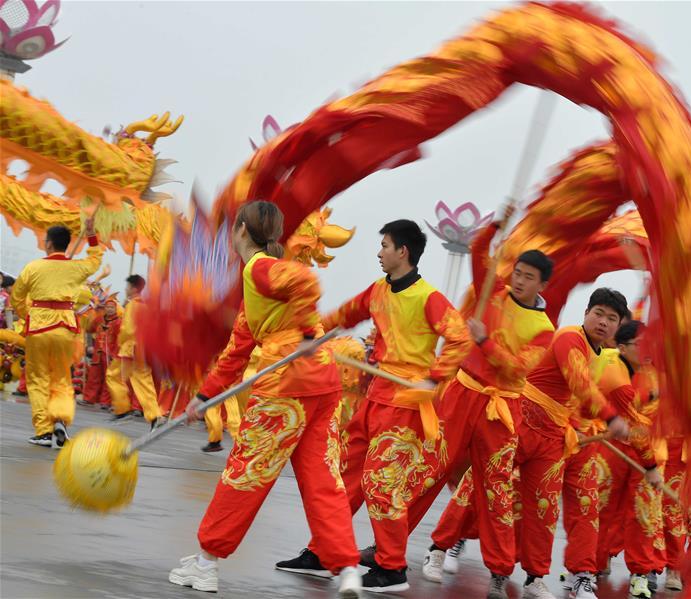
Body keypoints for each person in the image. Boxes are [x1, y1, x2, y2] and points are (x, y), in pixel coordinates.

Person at [167, 200, 362, 597]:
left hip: (285, 384)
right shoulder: (253, 288)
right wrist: (204, 397)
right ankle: (347, 569)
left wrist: (308, 331)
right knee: (325, 480)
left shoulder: (258, 268)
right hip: (321, 382)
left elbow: (306, 281)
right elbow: (236, 351)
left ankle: (206, 564)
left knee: (245, 475)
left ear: (240, 230)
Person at [276, 219, 472, 593]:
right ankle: (323, 551)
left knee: (383, 485)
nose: (379, 252)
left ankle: (391, 567)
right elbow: (342, 316)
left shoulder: (428, 297)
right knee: (344, 475)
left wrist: (432, 377)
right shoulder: (378, 291)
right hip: (377, 394)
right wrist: (308, 336)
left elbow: (459, 339)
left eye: (385, 245)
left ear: (403, 252)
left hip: (405, 402)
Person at [419, 207, 557, 599]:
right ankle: (408, 551)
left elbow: (516, 371)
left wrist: (484, 341)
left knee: (495, 491)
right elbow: (480, 250)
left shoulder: (545, 330)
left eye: (528, 277)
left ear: (541, 284)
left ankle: (499, 571)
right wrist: (498, 224)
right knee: (433, 466)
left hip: (503, 408)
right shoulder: (492, 293)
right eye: (517, 273)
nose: (519, 281)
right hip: (464, 393)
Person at [493, 288, 629, 599]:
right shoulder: (569, 337)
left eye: (611, 318)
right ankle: (443, 545)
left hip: (560, 437)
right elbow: (579, 382)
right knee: (488, 491)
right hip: (521, 424)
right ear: (585, 313)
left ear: (618, 327)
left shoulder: (610, 357)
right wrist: (611, 418)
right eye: (599, 314)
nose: (603, 322)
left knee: (545, 508)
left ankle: (537, 577)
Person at [10, 219, 103, 448]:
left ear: (49, 244)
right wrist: (91, 235)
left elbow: (16, 297)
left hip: (40, 328)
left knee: (38, 379)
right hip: (65, 329)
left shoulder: (33, 267)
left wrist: (27, 315)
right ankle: (60, 419)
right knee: (62, 378)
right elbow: (95, 260)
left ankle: (43, 431)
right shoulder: (75, 267)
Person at [594, 320, 667, 599]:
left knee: (643, 513)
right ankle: (589, 566)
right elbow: (626, 406)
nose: (647, 349)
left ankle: (640, 573)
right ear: (622, 348)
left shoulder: (658, 371)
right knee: (601, 506)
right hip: (613, 447)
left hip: (648, 448)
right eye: (640, 344)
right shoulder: (611, 366)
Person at [105, 275, 163, 429]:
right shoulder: (147, 306)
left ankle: (122, 409)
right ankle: (154, 416)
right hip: (143, 349)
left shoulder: (133, 304)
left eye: (128, 287)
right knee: (144, 382)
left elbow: (127, 329)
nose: (126, 289)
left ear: (134, 288)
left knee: (113, 376)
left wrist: (120, 342)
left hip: (129, 348)